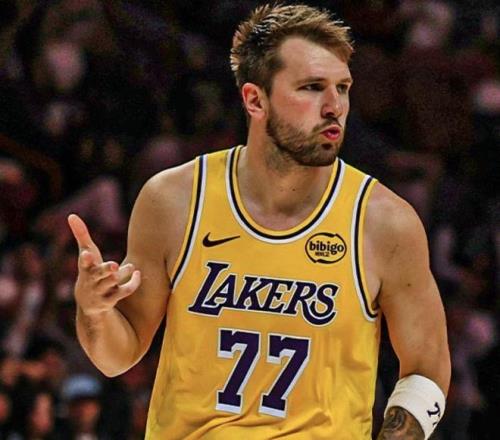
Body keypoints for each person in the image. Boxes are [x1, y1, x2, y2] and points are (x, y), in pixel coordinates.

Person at [68, 4, 451, 439]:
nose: (334, 107)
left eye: (343, 88)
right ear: (255, 99)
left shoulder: (384, 221)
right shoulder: (174, 200)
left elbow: (427, 367)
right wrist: (94, 311)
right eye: (312, 87)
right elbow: (118, 356)